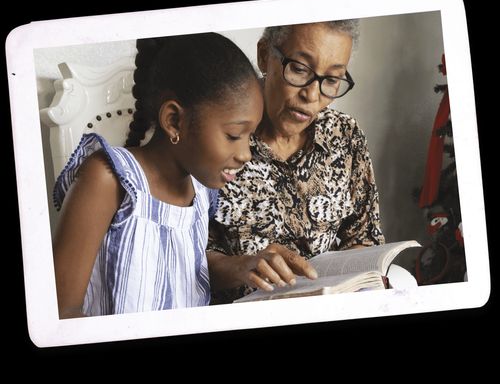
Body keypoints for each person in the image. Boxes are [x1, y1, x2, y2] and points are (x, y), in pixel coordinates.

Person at [52, 33, 263, 318]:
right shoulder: (108, 179)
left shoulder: (202, 193)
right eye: (234, 135)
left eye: (250, 136)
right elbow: (61, 312)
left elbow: (183, 282)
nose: (246, 153)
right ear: (174, 121)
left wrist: (241, 268)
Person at [207, 21, 385, 303]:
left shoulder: (344, 134)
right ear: (265, 55)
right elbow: (186, 260)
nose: (312, 96)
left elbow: (363, 237)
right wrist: (241, 266)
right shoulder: (221, 135)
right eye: (300, 69)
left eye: (331, 80)